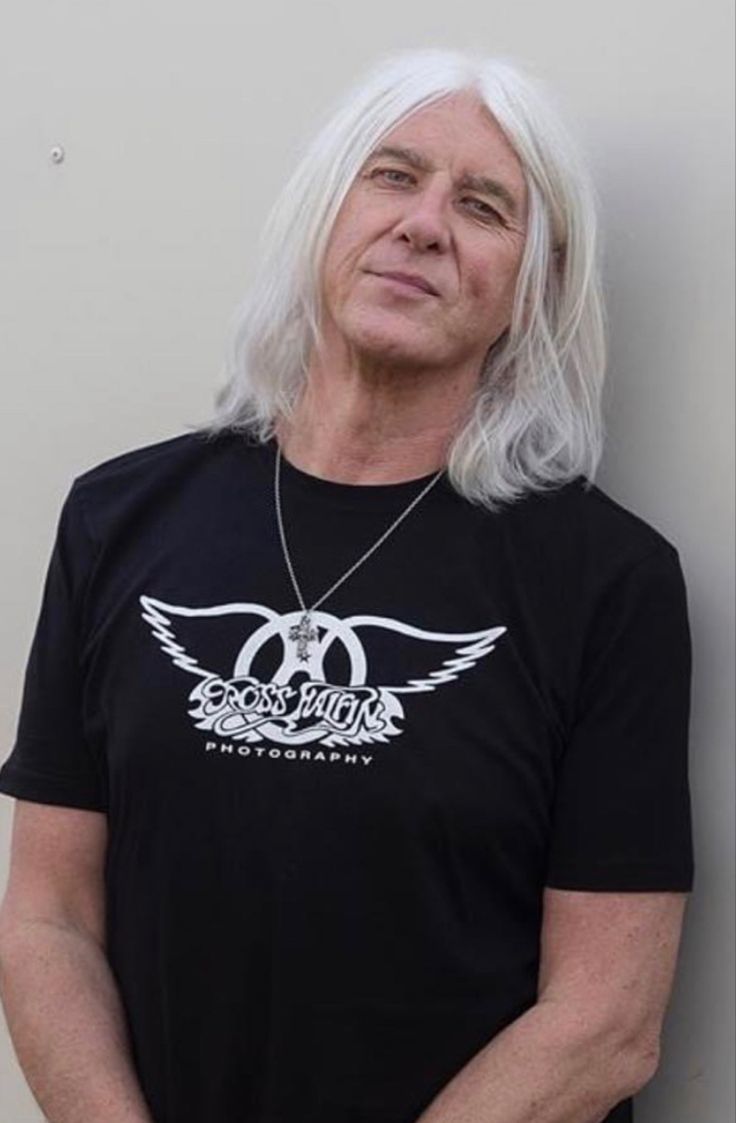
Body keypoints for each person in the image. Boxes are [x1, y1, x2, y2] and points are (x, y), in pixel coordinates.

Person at [0, 47, 694, 1123]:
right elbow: (47, 917)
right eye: (392, 175)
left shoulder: (606, 582)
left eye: (482, 206)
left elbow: (606, 1021)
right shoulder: (119, 519)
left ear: (531, 289)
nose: (423, 223)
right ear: (322, 215)